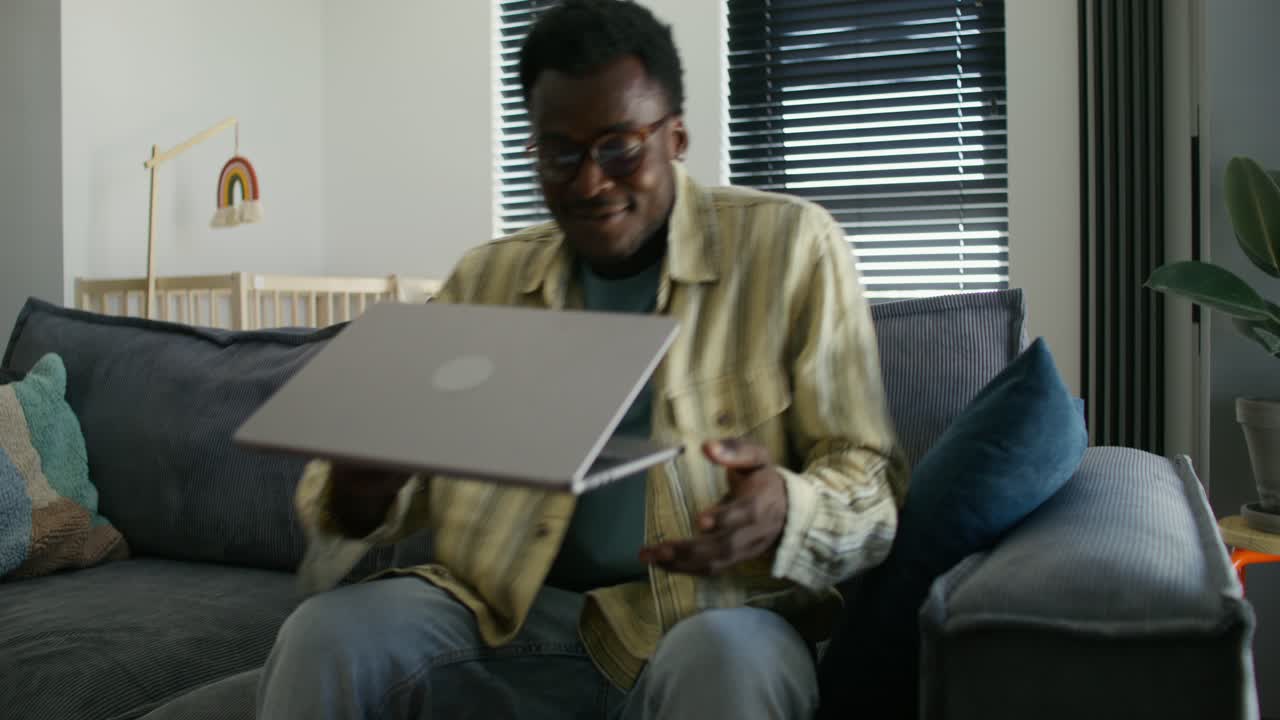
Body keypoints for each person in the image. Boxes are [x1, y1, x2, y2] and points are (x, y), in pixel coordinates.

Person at [256, 1, 906, 718]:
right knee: (325, 635)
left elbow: (870, 479)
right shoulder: (485, 281)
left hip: (703, 622)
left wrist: (788, 507)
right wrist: (363, 487)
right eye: (560, 152)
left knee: (727, 664)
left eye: (620, 146)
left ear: (677, 136)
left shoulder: (793, 249)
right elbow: (361, 497)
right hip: (500, 617)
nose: (590, 183)